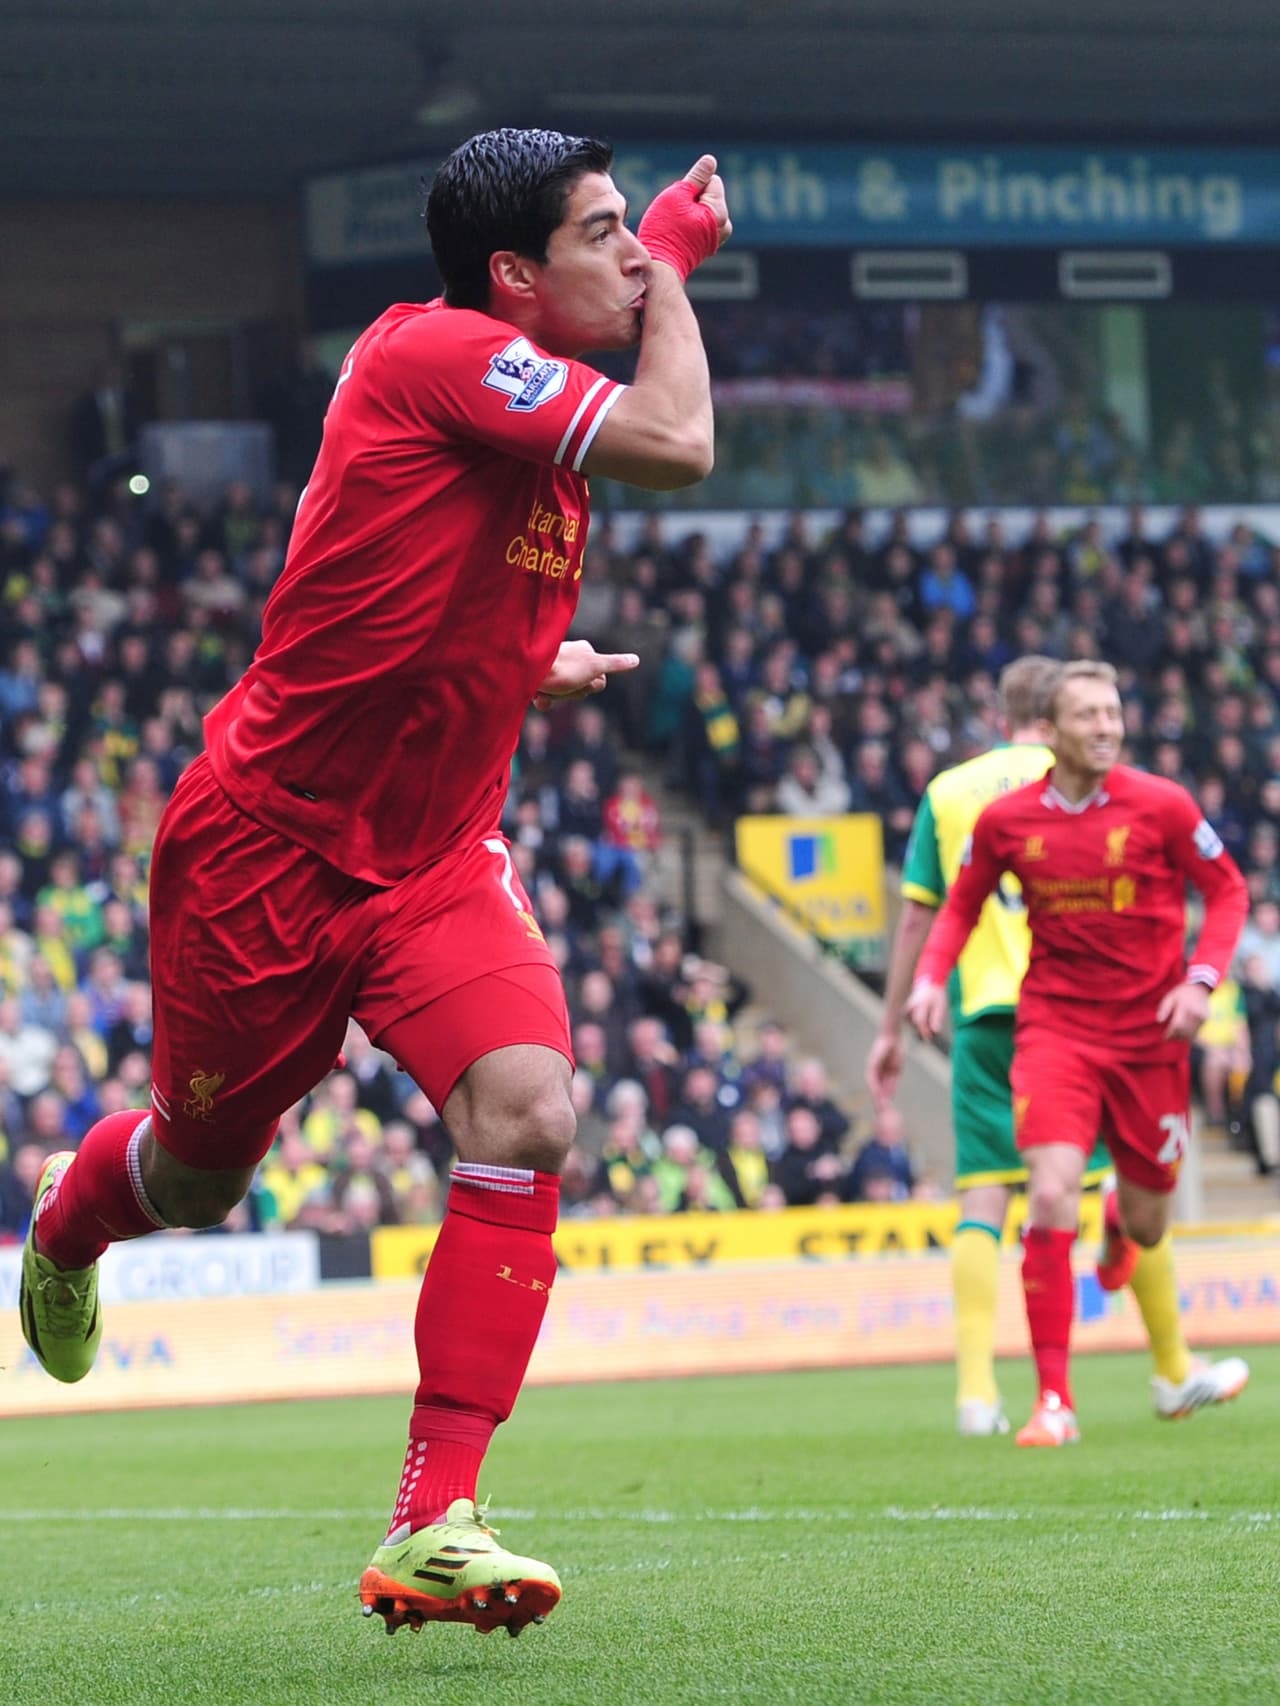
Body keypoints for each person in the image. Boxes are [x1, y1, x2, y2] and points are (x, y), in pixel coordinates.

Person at [20, 127, 731, 1637]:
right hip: (264, 851)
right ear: (512, 277)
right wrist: (670, 276)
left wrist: (526, 669)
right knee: (200, 1179)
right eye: (597, 236)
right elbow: (681, 443)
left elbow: (420, 582)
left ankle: (433, 1519)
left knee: (533, 1104)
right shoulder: (437, 353)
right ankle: (71, 1228)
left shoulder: (508, 375)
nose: (627, 255)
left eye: (629, 233)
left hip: (435, 850)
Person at [906, 659, 1251, 1446]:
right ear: (1050, 730)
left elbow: (1228, 890)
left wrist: (1200, 982)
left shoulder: (1161, 804)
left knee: (1149, 1215)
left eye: (1113, 712)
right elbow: (958, 907)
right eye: (1089, 714)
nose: (1107, 726)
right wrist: (931, 980)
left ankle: (1126, 1232)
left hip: (1150, 1039)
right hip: (1055, 1029)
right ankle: (1053, 1402)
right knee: (1051, 1192)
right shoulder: (1007, 822)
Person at [869, 656, 1118, 1436]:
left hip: (981, 1013)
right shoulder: (1077, 781)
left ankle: (977, 1394)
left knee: (985, 1197)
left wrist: (894, 1023)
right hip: (1075, 1010)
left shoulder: (949, 791)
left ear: (1000, 709)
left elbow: (919, 915)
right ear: (1060, 712)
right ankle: (1154, 1355)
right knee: (1100, 1182)